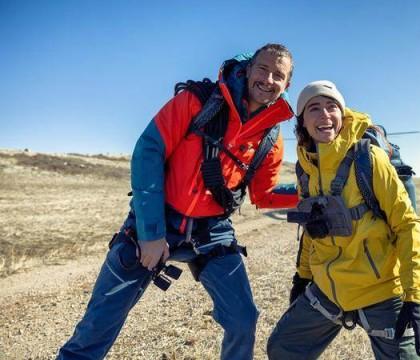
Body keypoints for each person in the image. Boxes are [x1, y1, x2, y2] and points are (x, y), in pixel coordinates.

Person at [58, 43, 299, 360]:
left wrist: (310, 190)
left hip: (212, 231)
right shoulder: (197, 101)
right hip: (158, 219)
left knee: (243, 320)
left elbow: (264, 194)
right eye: (263, 69)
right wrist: (151, 233)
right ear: (249, 69)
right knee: (99, 324)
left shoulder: (272, 137)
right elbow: (148, 152)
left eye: (277, 75)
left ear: (287, 85)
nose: (268, 79)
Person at [267, 81, 420, 359]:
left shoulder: (368, 158)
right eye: (314, 108)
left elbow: (407, 224)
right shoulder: (305, 167)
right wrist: (302, 277)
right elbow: (313, 229)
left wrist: (415, 298)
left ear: (342, 114)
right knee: (283, 349)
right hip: (328, 290)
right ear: (303, 122)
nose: (325, 115)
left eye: (332, 106)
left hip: (381, 290)